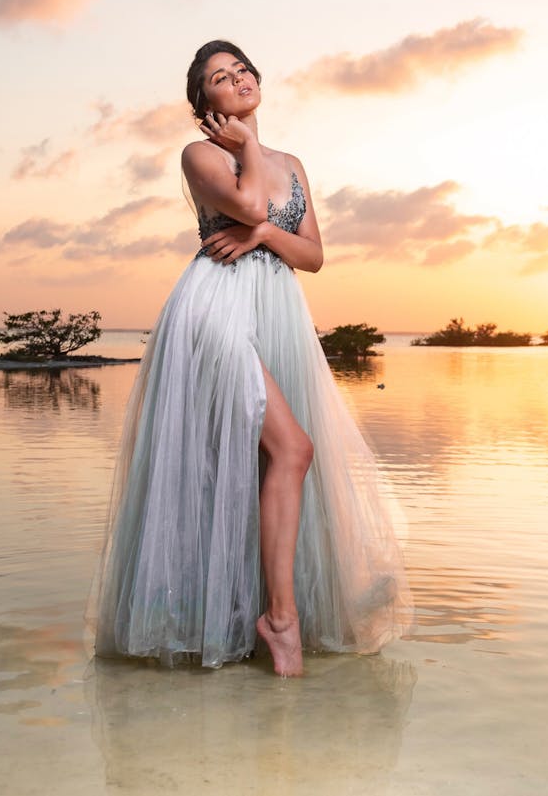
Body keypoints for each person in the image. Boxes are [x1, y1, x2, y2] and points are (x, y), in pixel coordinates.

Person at [87, 40, 412, 676]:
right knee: (293, 449)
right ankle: (280, 622)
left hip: (276, 312)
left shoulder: (291, 161)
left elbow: (312, 255)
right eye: (218, 78)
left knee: (268, 459)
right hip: (215, 310)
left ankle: (252, 616)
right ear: (202, 104)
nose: (235, 80)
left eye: (241, 70)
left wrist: (265, 235)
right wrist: (250, 170)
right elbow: (251, 204)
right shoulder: (200, 155)